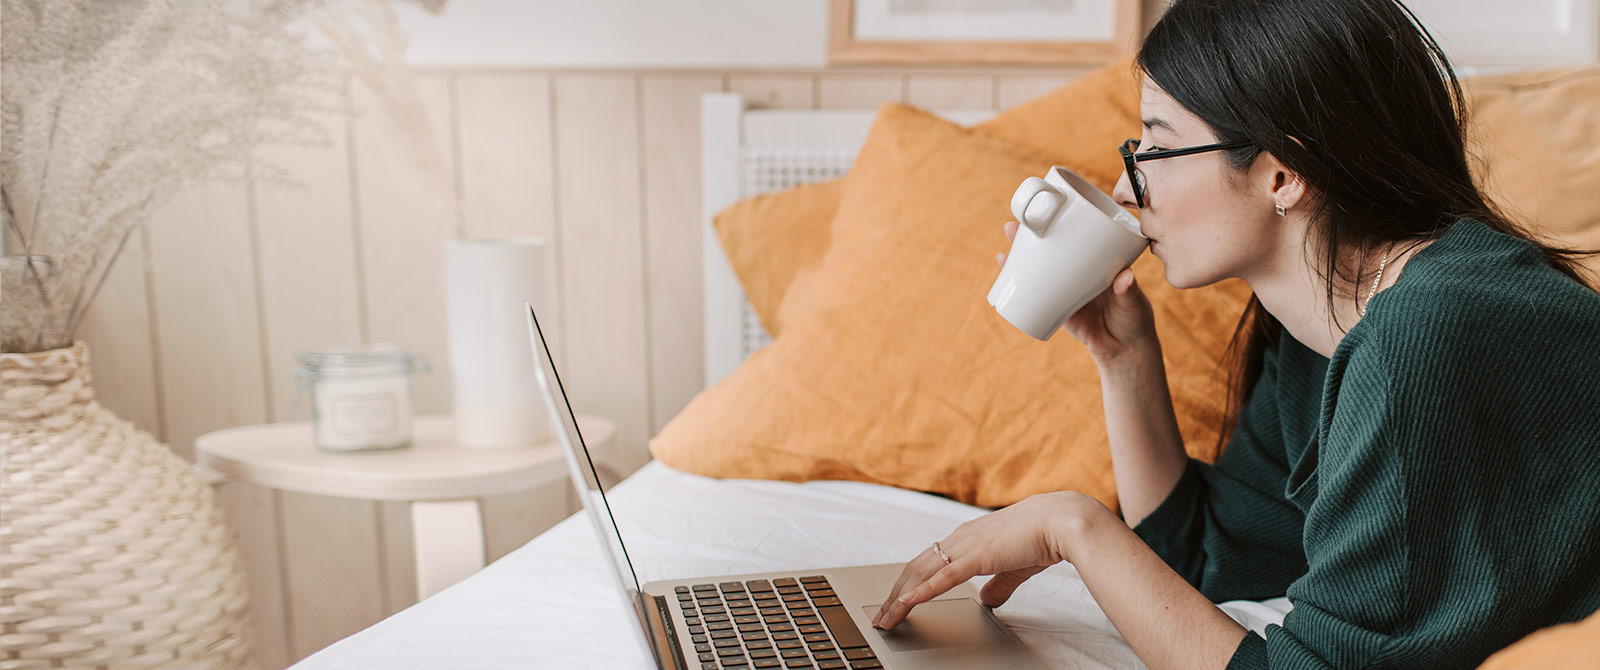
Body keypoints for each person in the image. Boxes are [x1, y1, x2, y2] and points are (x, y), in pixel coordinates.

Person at [867, 0, 1600, 667]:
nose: (1126, 188)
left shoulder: (1428, 337)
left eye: (1155, 147)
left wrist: (1073, 527)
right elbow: (1212, 562)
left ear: (1282, 174)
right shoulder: (1328, 324)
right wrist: (1123, 357)